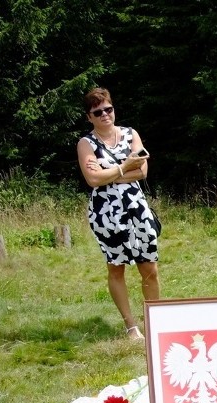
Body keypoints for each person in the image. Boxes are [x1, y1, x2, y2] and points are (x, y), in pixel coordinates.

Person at [76, 87, 159, 340]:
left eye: (108, 109)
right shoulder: (86, 144)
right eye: (97, 112)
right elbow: (92, 179)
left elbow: (143, 171)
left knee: (150, 267)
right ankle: (131, 326)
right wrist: (124, 166)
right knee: (116, 267)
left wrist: (108, 171)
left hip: (136, 207)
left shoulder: (130, 134)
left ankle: (156, 323)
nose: (104, 115)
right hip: (106, 213)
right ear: (89, 116)